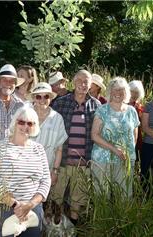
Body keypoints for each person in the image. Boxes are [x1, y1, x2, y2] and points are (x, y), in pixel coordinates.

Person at [0, 106, 51, 237]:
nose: (25, 126)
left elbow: (46, 180)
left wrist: (30, 204)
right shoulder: (0, 147)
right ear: (15, 122)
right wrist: (15, 204)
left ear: (34, 126)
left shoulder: (39, 149)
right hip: (7, 209)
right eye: (21, 122)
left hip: (33, 210)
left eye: (30, 123)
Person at [51, 70, 101, 224]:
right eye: (79, 80)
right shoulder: (60, 103)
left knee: (77, 203)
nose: (82, 84)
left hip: (83, 163)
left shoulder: (96, 105)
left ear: (90, 84)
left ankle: (73, 229)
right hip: (62, 161)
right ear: (73, 82)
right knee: (56, 199)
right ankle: (54, 228)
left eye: (86, 81)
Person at [91, 77, 139, 197]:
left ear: (126, 92)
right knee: (102, 195)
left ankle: (122, 216)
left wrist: (129, 154)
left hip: (124, 159)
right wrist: (114, 149)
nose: (118, 93)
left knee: (124, 195)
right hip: (102, 159)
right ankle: (103, 217)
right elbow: (94, 135)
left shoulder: (131, 111)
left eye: (121, 90)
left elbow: (134, 136)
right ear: (109, 92)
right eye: (115, 90)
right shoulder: (102, 110)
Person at [27, 82, 68, 186]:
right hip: (24, 168)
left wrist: (55, 171)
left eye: (46, 96)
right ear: (33, 98)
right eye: (38, 96)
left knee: (40, 201)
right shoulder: (24, 115)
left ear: (50, 98)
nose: (42, 100)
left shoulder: (57, 118)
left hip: (46, 171)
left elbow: (59, 148)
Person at [128, 80, 145, 164]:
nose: (134, 94)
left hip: (136, 138)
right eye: (132, 92)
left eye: (137, 92)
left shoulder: (140, 107)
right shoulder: (120, 104)